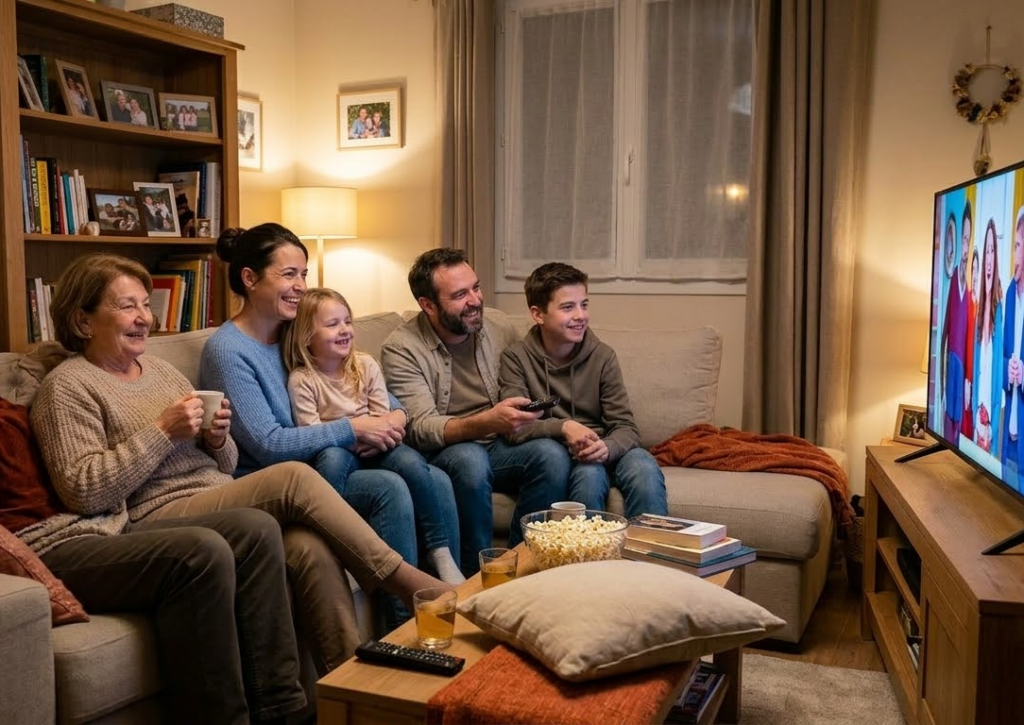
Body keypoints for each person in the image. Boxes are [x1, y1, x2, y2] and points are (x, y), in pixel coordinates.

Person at [27, 253, 449, 720]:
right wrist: (163, 431)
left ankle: (351, 695)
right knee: (293, 478)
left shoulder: (160, 371)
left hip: (214, 493)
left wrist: (217, 438)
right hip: (155, 513)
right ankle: (405, 580)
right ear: (83, 321)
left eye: (146, 304)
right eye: (128, 306)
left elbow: (225, 465)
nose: (145, 317)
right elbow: (84, 490)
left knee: (307, 545)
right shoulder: (68, 387)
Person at [199, 224, 459, 623]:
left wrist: (394, 416)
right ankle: (402, 629)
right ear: (249, 278)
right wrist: (354, 429)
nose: (300, 286)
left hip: (329, 460)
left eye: (303, 274)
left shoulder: (294, 329)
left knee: (436, 478)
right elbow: (267, 444)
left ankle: (458, 592)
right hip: (278, 481)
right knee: (388, 488)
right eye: (288, 274)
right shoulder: (228, 351)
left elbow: (366, 385)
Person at [380, 248, 571, 577]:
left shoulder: (496, 326)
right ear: (428, 305)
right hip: (445, 451)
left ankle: (518, 568)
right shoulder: (401, 348)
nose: (475, 300)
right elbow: (420, 428)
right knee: (470, 459)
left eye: (476, 287)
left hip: (500, 443)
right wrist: (487, 421)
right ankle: (476, 577)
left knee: (551, 456)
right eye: (459, 295)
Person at [283, 288, 464, 584]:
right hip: (339, 449)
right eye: (332, 324)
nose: (344, 330)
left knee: (413, 462)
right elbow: (312, 432)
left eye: (347, 321)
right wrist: (355, 437)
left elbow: (383, 416)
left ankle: (439, 550)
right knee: (330, 460)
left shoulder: (365, 365)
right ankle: (332, 538)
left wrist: (375, 435)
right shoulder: (302, 379)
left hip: (376, 444)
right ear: (306, 337)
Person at [498, 262, 667, 519]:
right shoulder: (516, 358)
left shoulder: (603, 356)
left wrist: (607, 448)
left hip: (605, 446)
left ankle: (653, 545)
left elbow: (626, 427)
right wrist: (564, 427)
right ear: (538, 314)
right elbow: (515, 426)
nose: (581, 315)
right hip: (562, 453)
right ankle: (585, 547)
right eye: (568, 307)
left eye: (584, 304)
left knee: (645, 467)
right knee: (589, 476)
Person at [972, 218, 1004, 454]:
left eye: (993, 250)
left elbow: (999, 367)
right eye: (987, 250)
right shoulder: (978, 310)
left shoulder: (999, 307)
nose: (990, 258)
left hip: (992, 418)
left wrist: (989, 423)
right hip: (977, 415)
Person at [941, 204, 970, 442]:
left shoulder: (969, 290)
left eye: (970, 240)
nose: (966, 247)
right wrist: (941, 386)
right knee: (946, 425)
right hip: (950, 365)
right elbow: (944, 334)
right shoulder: (954, 283)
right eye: (965, 239)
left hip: (961, 374)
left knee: (957, 432)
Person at [1004, 207, 1024, 483]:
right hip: (1010, 435)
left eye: (1019, 246)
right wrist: (1007, 372)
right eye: (1015, 245)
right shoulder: (1010, 292)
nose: (1015, 254)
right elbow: (1002, 356)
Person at [963, 246, 980, 441]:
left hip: (976, 375)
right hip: (966, 376)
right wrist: (967, 379)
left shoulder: (981, 305)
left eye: (977, 270)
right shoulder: (967, 299)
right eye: (972, 270)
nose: (975, 275)